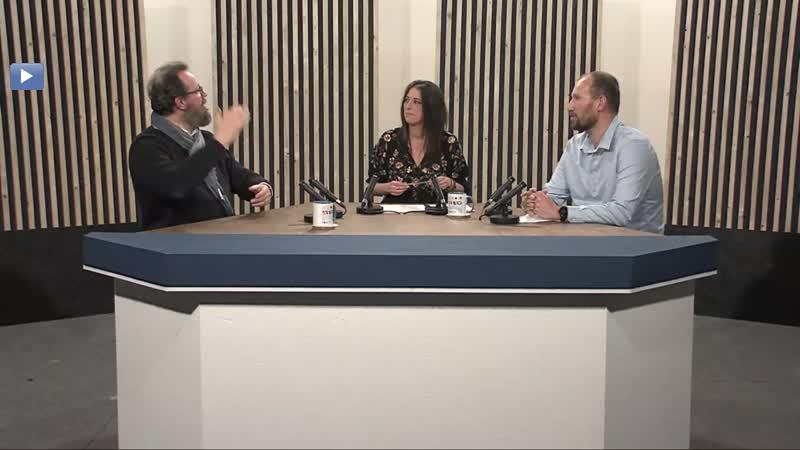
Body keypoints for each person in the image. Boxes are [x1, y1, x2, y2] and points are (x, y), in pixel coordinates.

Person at [129, 61, 273, 230]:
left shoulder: (206, 139)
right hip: (175, 243)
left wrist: (261, 186)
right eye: (198, 91)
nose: (204, 95)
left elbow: (237, 175)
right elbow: (176, 186)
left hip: (219, 236)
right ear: (181, 102)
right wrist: (219, 142)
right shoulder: (146, 146)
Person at [524, 71, 664, 234]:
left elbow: (621, 213)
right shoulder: (574, 145)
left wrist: (562, 213)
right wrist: (536, 202)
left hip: (634, 245)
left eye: (577, 98)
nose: (570, 106)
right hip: (586, 240)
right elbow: (553, 197)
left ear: (600, 103)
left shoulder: (634, 146)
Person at [368, 80, 469, 204]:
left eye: (416, 102)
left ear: (431, 107)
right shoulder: (389, 140)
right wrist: (387, 188)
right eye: (406, 100)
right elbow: (371, 188)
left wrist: (450, 184)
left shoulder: (448, 142)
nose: (408, 106)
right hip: (395, 214)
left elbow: (464, 189)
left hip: (436, 214)